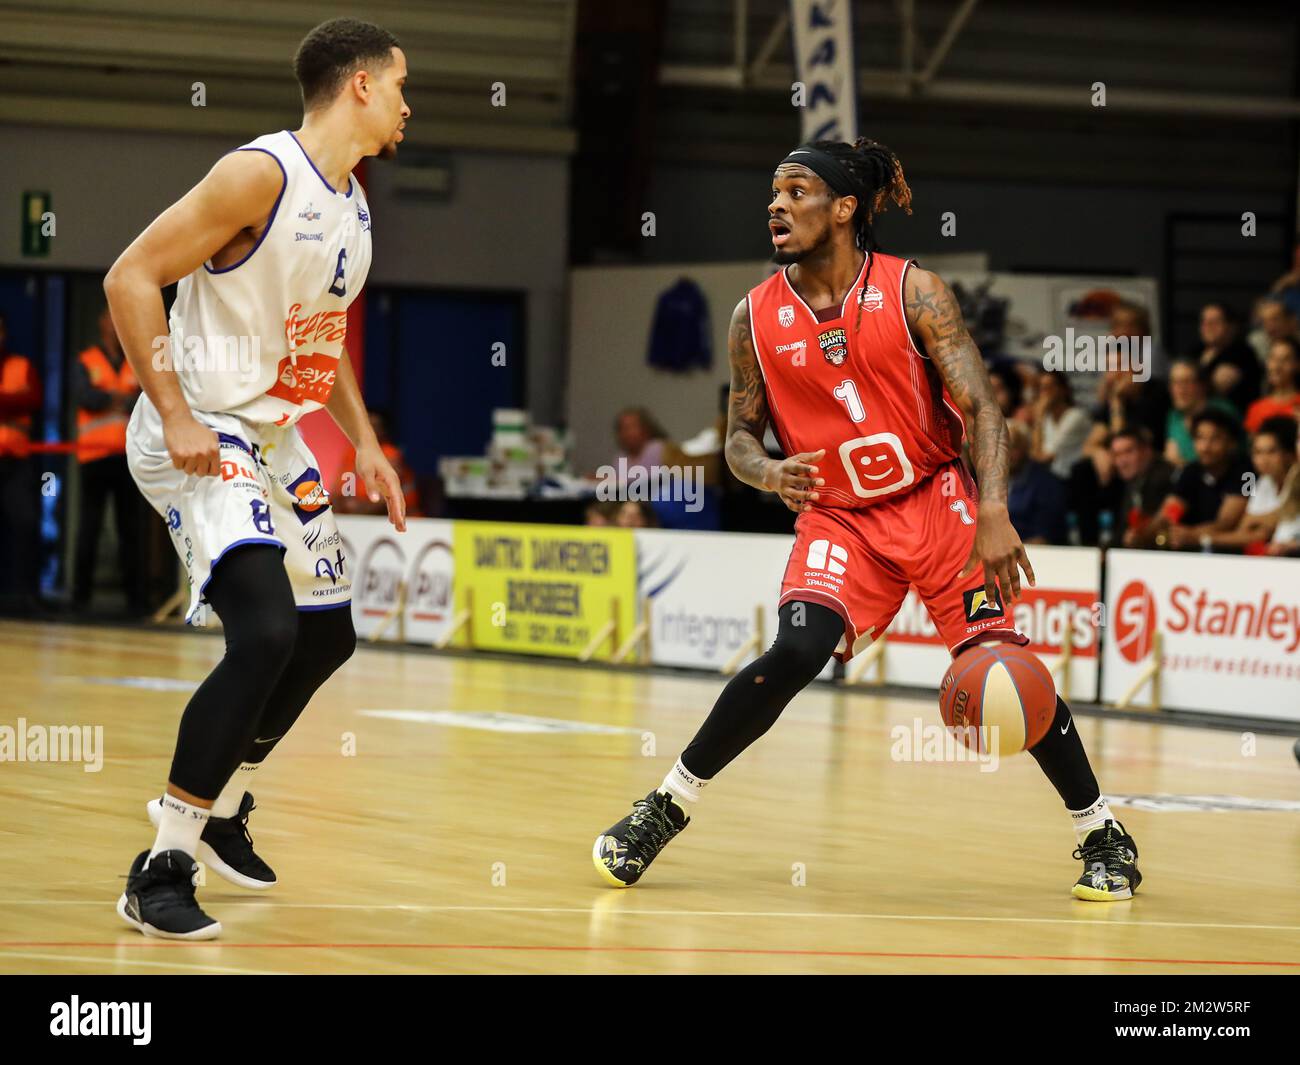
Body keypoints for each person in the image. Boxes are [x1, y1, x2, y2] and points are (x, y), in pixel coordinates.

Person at [592, 137, 1141, 902]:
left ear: (844, 208)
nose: (776, 205)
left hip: (938, 501)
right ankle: (665, 806)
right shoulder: (754, 316)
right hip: (842, 520)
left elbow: (983, 405)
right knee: (796, 648)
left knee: (1004, 670)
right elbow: (739, 439)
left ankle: (1101, 828)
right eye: (773, 192)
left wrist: (991, 508)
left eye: (796, 191)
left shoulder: (915, 291)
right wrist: (769, 470)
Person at [104, 17, 410, 939]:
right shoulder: (260, 174)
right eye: (400, 85)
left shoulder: (353, 204)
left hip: (274, 435)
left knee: (327, 638)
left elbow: (319, 341)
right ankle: (162, 863)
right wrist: (177, 411)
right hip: (200, 425)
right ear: (359, 85)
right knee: (266, 631)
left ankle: (221, 802)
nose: (407, 104)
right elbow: (130, 277)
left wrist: (361, 439)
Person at [73, 305, 146, 612]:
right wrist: (120, 400)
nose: (116, 326)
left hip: (130, 457)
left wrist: (108, 398)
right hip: (94, 457)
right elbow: (84, 397)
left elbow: (146, 399)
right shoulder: (85, 360)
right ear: (103, 323)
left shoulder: (137, 360)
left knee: (131, 529)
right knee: (89, 527)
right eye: (111, 320)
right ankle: (80, 599)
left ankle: (137, 602)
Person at [1134, 409, 1249, 550]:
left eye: (1215, 439)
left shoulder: (1247, 473)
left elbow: (1227, 522)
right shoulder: (1190, 471)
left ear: (1232, 443)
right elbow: (1169, 511)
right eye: (1200, 438)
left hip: (1232, 555)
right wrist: (1144, 533)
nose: (1205, 447)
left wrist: (1191, 535)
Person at [0, 312, 42, 610]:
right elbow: (16, 401)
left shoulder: (21, 365)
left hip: (15, 462)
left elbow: (32, 401)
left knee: (25, 523)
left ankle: (24, 596)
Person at [1164, 357, 1238, 467]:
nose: (1180, 389)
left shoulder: (1222, 410)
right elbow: (1170, 457)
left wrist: (1182, 464)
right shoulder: (1174, 415)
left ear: (1202, 385)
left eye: (1186, 382)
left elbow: (1231, 456)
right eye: (1175, 382)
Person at [1108, 427, 1174, 548]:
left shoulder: (1164, 478)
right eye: (1116, 454)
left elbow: (1165, 524)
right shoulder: (1132, 480)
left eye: (1128, 452)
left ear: (1147, 451)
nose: (1121, 461)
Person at [1192, 302, 1260, 414]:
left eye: (1214, 322)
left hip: (1228, 416)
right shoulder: (1195, 351)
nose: (1207, 326)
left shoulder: (1241, 352)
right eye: (1204, 322)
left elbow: (1217, 386)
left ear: (1231, 326)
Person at [1007, 419, 1067, 543]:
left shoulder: (1046, 484)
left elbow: (1043, 537)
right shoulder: (990, 480)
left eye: (1013, 447)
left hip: (1034, 554)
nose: (1007, 453)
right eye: (1002, 447)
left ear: (1026, 449)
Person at [1029, 370, 1089, 480]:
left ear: (1063, 390)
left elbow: (1043, 459)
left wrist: (1039, 416)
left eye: (1049, 387)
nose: (1045, 394)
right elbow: (1034, 455)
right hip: (1051, 478)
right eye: (1042, 389)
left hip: (1073, 480)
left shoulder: (1076, 416)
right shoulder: (1046, 420)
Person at [1243, 337, 1300, 434]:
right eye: (1273, 358)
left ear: (1297, 365)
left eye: (1285, 360)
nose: (1276, 366)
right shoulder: (1256, 409)